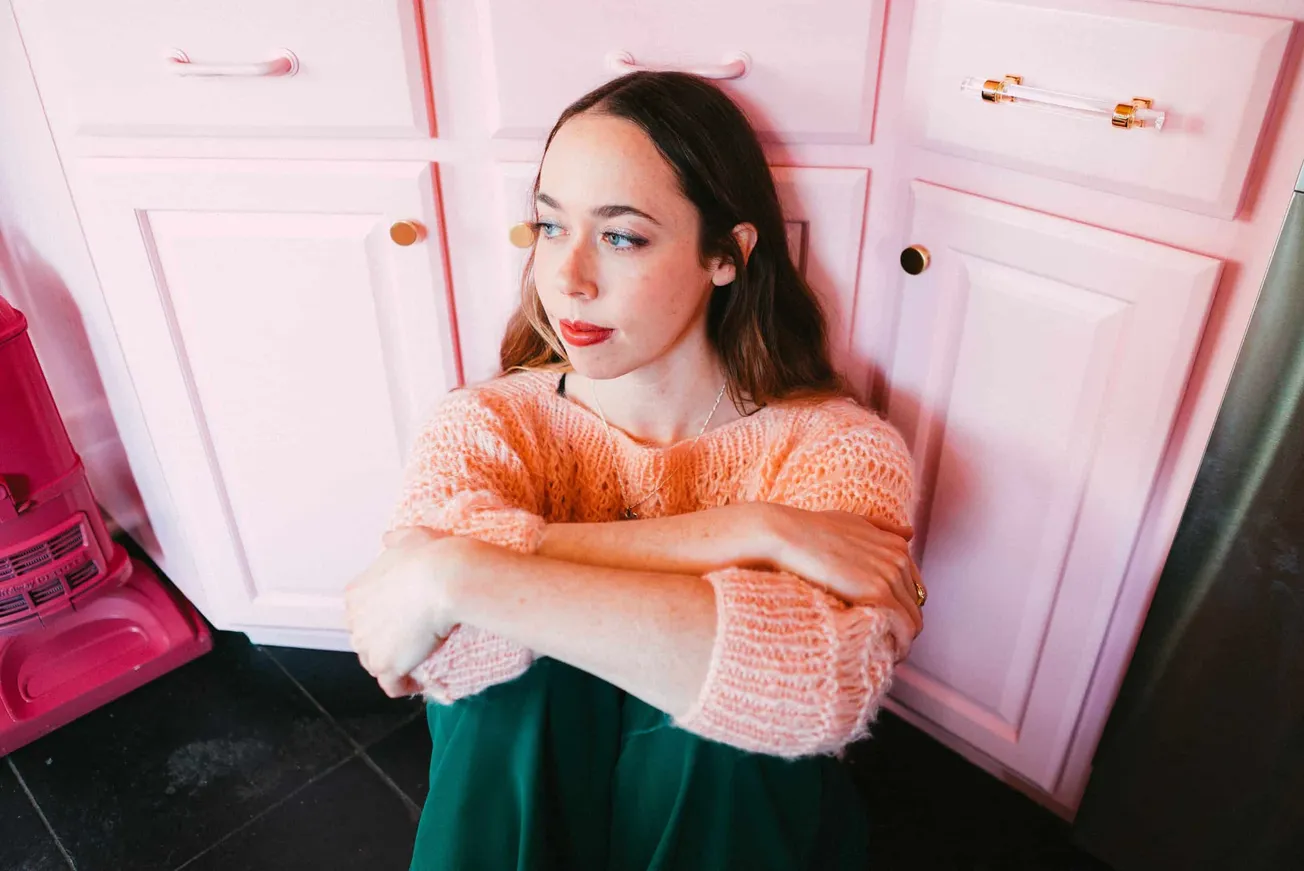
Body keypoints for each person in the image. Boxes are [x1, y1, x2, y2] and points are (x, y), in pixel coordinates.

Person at [345, 70, 927, 871]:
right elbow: (426, 656)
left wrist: (456, 569)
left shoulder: (840, 448)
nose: (569, 277)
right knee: (516, 691)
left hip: (728, 821)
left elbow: (814, 685)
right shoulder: (484, 421)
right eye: (550, 227)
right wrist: (750, 530)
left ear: (727, 254)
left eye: (622, 236)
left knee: (730, 723)